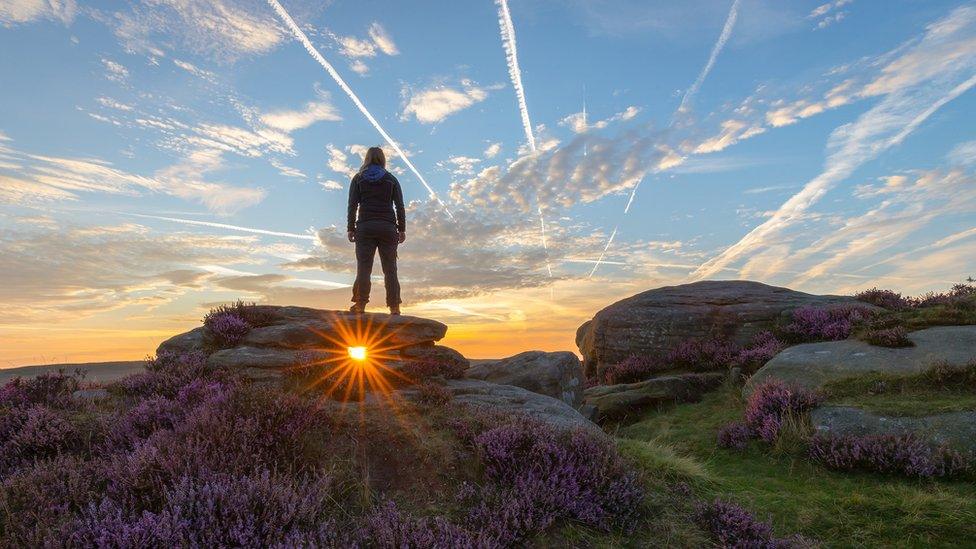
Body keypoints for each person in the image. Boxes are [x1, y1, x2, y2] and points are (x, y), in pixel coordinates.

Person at [347, 146, 406, 315]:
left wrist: (351, 228)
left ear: (367, 159)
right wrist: (402, 229)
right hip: (387, 227)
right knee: (390, 269)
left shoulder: (358, 178)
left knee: (364, 268)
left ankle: (360, 305)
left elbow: (352, 205)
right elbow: (399, 206)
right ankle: (394, 307)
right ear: (382, 159)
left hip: (365, 227)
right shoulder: (391, 179)